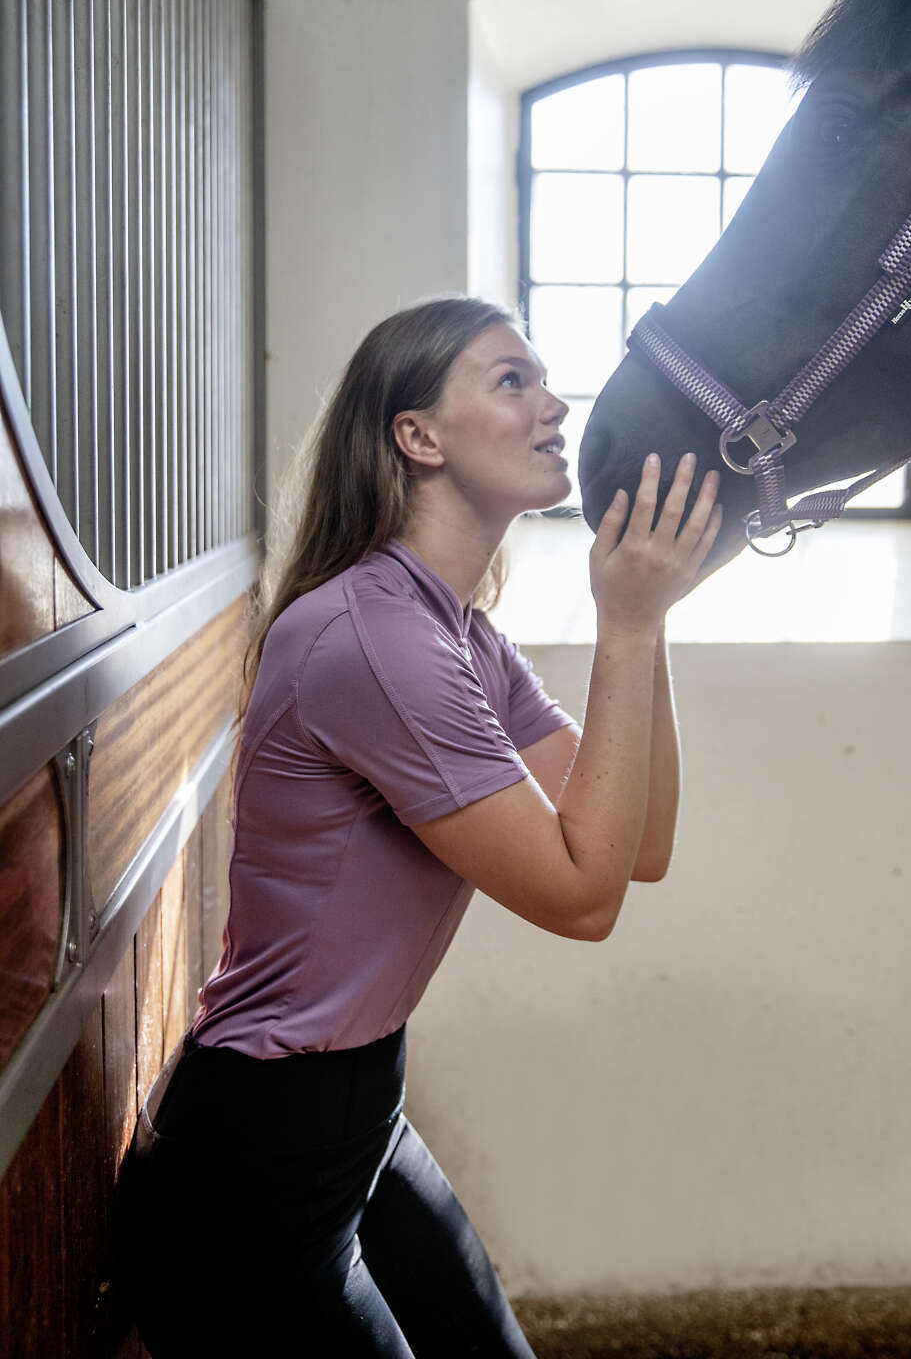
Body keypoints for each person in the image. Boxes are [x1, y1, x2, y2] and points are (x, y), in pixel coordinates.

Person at [118, 295, 722, 1357]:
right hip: (251, 1163)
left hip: (355, 1110)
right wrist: (623, 623)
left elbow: (642, 848)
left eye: (545, 381)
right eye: (511, 381)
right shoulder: (373, 638)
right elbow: (580, 900)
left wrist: (648, 616)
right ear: (418, 436)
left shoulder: (456, 636)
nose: (554, 405)